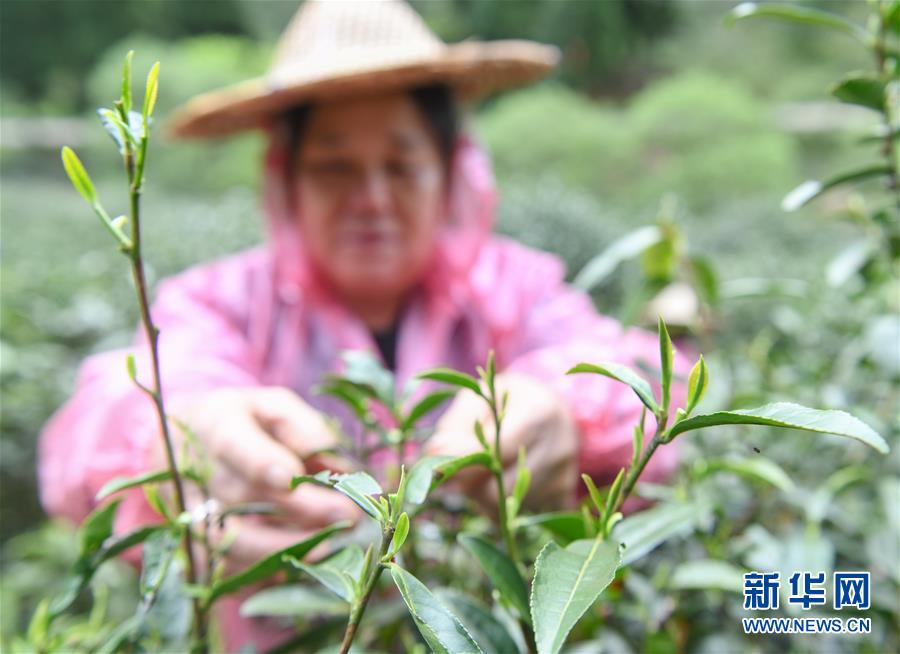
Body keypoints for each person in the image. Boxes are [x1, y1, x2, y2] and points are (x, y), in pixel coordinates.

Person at [39, 0, 686, 650]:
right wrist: (181, 442)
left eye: (401, 165)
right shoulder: (221, 302)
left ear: (447, 171)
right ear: (287, 180)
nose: (372, 197)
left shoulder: (515, 290)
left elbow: (658, 390)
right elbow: (90, 430)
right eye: (335, 166)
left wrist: (565, 411)